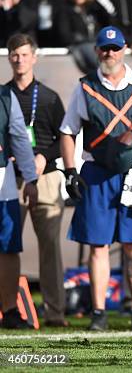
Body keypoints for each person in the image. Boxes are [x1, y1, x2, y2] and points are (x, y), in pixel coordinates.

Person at [59, 26, 132, 331]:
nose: (109, 54)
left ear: (125, 49)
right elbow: (68, 131)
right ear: (97, 51)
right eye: (104, 49)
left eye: (114, 48)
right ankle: (99, 312)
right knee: (97, 246)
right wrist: (70, 171)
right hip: (96, 173)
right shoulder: (84, 87)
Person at [5, 33, 67, 327]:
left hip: (45, 177)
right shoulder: (3, 96)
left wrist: (43, 157)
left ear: (34, 57)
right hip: (10, 179)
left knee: (50, 247)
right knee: (7, 245)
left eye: (24, 54)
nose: (20, 59)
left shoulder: (48, 97)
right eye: (15, 54)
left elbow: (64, 137)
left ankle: (55, 312)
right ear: (8, 58)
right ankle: (8, 309)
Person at [0, 84, 38, 329]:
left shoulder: (5, 96)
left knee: (8, 247)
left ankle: (10, 309)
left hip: (3, 182)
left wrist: (31, 177)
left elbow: (20, 138)